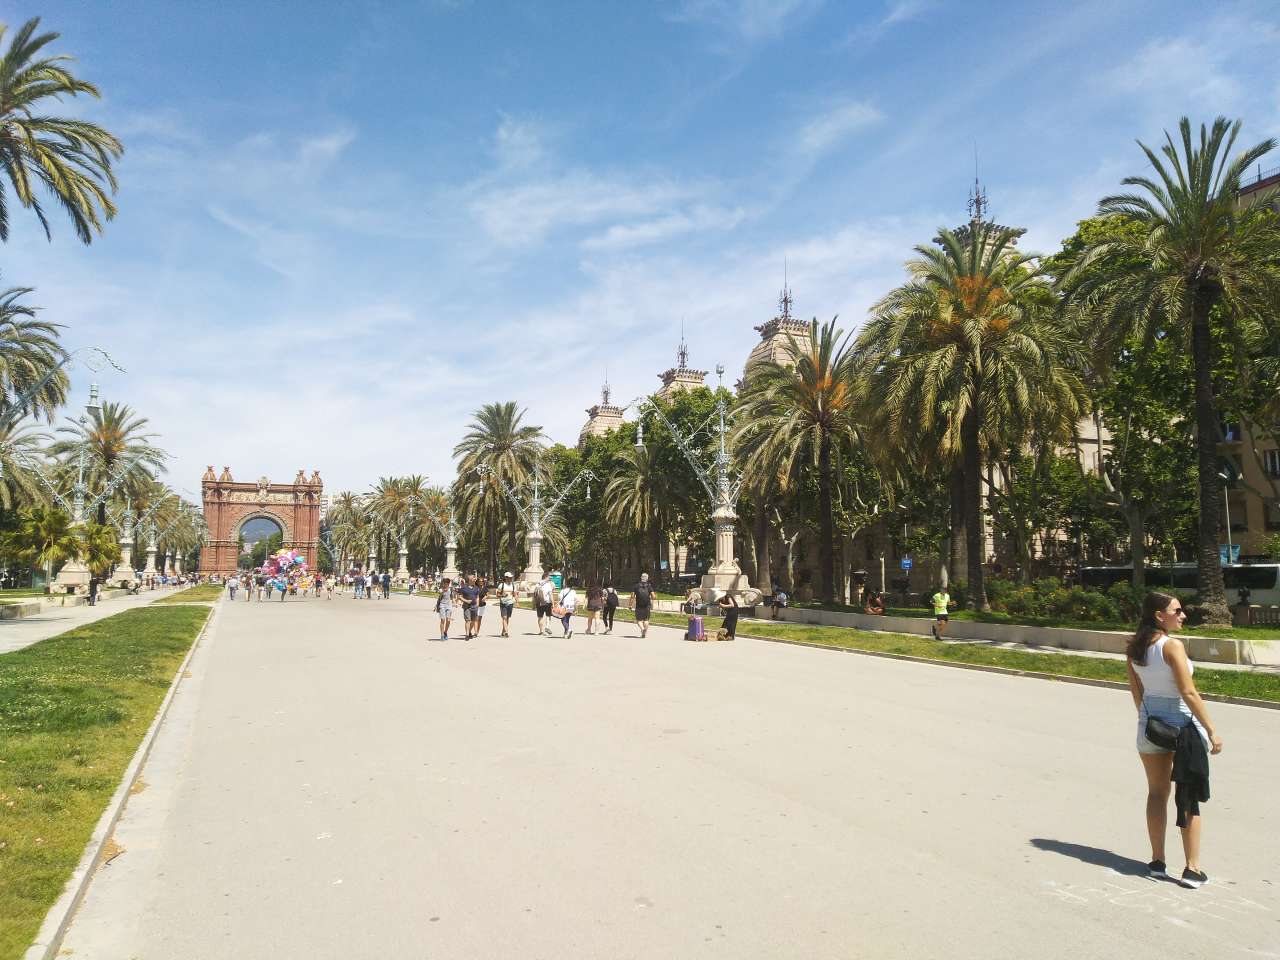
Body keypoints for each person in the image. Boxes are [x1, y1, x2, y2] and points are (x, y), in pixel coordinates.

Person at [1126, 592, 1222, 889]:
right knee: (1188, 794)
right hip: (1182, 725)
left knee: (1157, 793)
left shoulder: (1136, 647)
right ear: (1159, 615)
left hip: (1150, 724)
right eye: (1177, 610)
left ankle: (1157, 862)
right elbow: (1188, 692)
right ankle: (1192, 869)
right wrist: (1212, 729)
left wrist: (1148, 720)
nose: (1183, 615)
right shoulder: (1171, 646)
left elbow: (1137, 691)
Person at [458, 574, 480, 641]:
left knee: (473, 621)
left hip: (474, 606)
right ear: (469, 580)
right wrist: (466, 601)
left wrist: (477, 604)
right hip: (467, 606)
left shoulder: (476, 588)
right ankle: (467, 635)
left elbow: (477, 597)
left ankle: (470, 631)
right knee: (468, 620)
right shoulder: (464, 588)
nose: (475, 579)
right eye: (473, 578)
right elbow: (459, 597)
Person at [632, 572, 654, 637]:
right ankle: (644, 632)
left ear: (641, 578)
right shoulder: (649, 586)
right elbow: (653, 596)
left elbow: (632, 596)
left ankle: (642, 629)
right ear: (647, 578)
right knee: (646, 619)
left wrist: (630, 605)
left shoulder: (636, 586)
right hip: (647, 605)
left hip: (639, 605)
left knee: (639, 620)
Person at [498, 572, 517, 637]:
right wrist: (502, 595)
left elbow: (515, 594)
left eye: (511, 577)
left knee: (507, 618)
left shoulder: (513, 585)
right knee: (504, 617)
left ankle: (503, 631)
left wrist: (517, 602)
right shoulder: (501, 585)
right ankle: (506, 632)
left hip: (510, 603)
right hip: (503, 603)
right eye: (509, 577)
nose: (511, 578)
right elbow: (498, 595)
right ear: (506, 578)